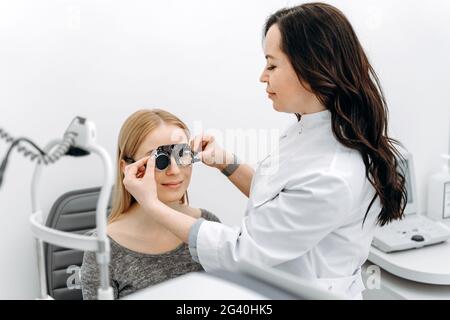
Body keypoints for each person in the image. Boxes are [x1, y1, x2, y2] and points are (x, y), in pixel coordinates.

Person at [121, 3, 407, 299]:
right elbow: (277, 200)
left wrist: (152, 205)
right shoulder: (310, 129)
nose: (262, 76)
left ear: (311, 66)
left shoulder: (332, 173)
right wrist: (227, 164)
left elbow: (240, 251)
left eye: (271, 64)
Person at [80, 109, 220, 299]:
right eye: (159, 159)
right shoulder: (104, 247)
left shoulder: (208, 226)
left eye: (182, 154)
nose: (175, 170)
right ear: (127, 168)